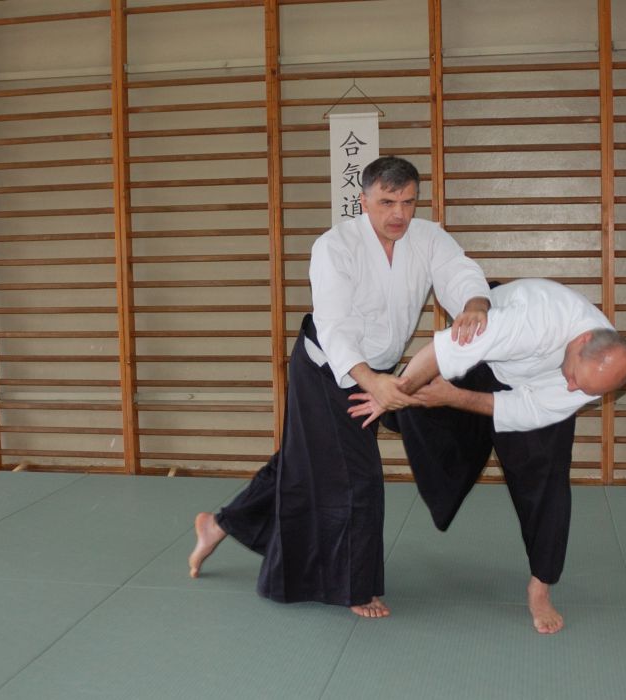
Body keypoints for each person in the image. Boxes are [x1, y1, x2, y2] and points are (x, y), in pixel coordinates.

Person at [188, 156, 490, 619]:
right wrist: (373, 384)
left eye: (408, 202)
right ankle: (354, 585)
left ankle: (220, 523)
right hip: (327, 368)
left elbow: (459, 272)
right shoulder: (335, 246)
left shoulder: (427, 238)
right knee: (356, 476)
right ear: (363, 200)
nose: (399, 214)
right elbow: (336, 327)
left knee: (304, 460)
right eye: (387, 202)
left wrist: (474, 303)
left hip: (381, 370)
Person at [348, 278, 626, 633]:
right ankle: (398, 410)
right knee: (414, 402)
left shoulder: (595, 376)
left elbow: (528, 410)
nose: (573, 388)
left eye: (585, 389)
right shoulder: (534, 323)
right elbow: (442, 351)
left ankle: (540, 588)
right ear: (581, 341)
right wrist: (388, 394)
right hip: (487, 355)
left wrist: (453, 397)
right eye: (576, 378)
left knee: (546, 478)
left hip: (530, 388)